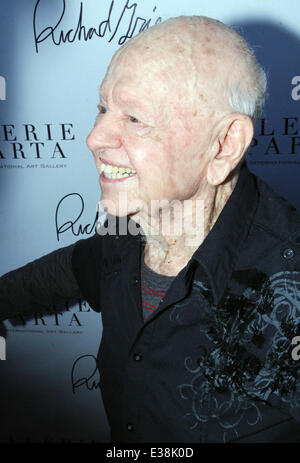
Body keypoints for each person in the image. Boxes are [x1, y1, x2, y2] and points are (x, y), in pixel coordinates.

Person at [1, 15, 300, 443]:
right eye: (103, 108)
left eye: (135, 119)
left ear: (224, 144)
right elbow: (68, 269)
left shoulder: (289, 288)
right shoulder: (131, 226)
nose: (94, 137)